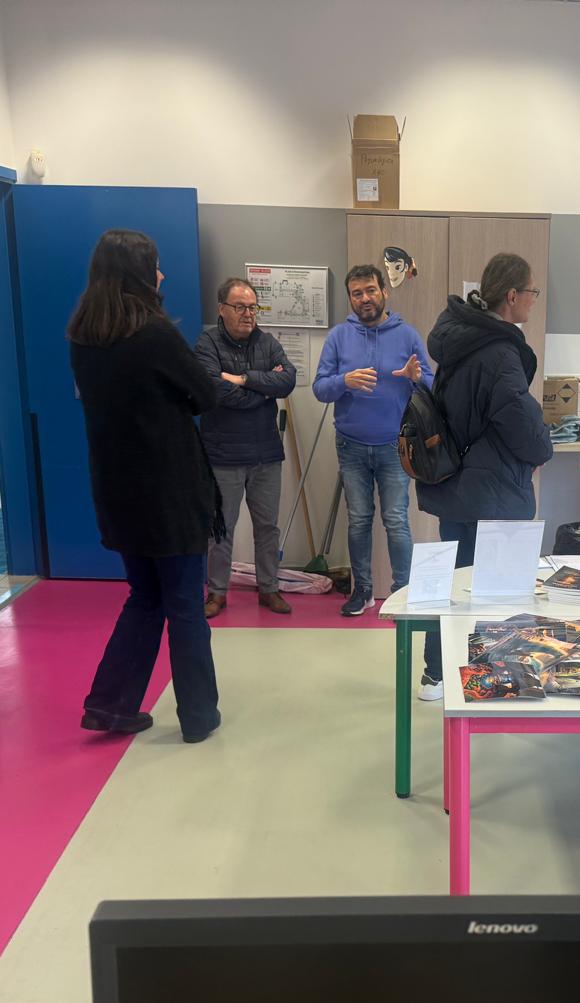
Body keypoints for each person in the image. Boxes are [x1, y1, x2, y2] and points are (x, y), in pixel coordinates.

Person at [68, 229, 224, 743]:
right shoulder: (154, 333)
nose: (162, 274)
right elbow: (206, 395)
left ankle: (110, 705)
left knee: (145, 596)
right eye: (154, 265)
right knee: (185, 605)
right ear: (138, 273)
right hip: (170, 492)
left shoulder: (84, 336)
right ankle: (198, 717)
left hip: (118, 492)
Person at [415, 253, 553, 700]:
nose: (533, 300)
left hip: (454, 482)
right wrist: (543, 449)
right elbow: (521, 422)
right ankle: (484, 681)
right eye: (531, 292)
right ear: (512, 296)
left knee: (454, 583)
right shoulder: (500, 352)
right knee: (495, 591)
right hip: (493, 490)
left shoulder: (458, 341)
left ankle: (435, 674)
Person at [314, 264, 435, 616]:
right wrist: (344, 381)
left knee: (396, 520)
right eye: (357, 293)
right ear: (350, 298)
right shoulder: (338, 337)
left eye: (370, 290)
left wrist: (415, 378)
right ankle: (363, 590)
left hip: (395, 446)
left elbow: (431, 386)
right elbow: (320, 389)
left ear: (384, 292)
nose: (364, 298)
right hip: (350, 445)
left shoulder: (407, 335)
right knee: (358, 520)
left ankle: (403, 592)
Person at [195, 278, 298, 618]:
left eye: (253, 307)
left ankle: (269, 588)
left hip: (266, 454)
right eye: (240, 307)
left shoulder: (267, 342)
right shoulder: (207, 343)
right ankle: (217, 593)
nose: (248, 314)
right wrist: (263, 391)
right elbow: (213, 389)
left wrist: (243, 379)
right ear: (221, 309)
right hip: (223, 456)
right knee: (220, 529)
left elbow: (287, 380)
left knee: (268, 527)